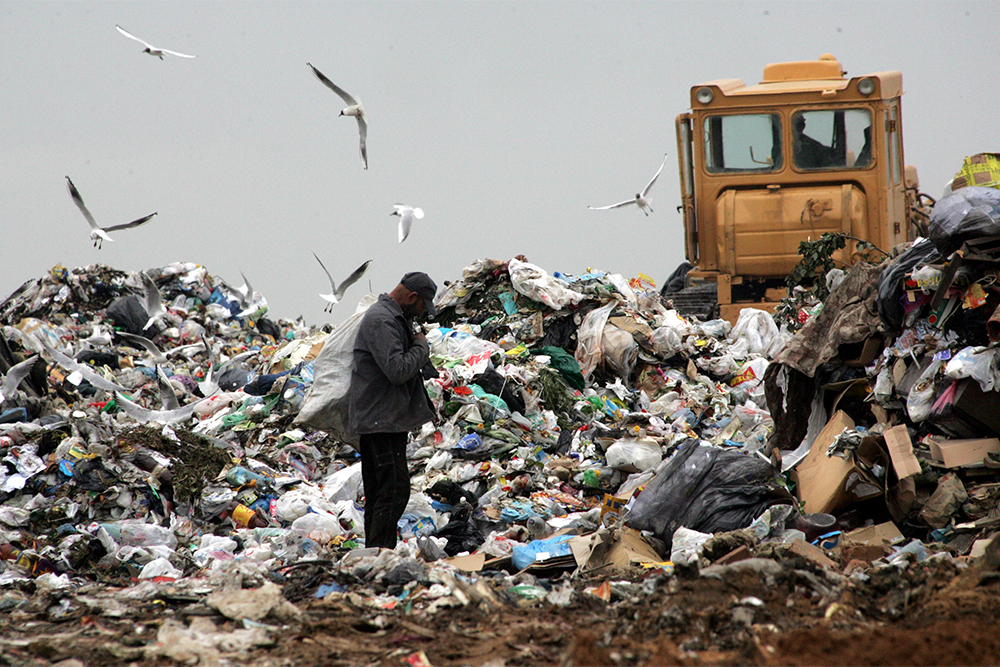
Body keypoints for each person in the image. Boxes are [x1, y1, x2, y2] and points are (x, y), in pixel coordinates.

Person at [348, 271, 438, 549]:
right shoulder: (382, 320)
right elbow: (397, 370)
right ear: (412, 297)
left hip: (384, 418)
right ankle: (380, 552)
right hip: (380, 420)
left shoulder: (394, 318)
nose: (422, 311)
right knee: (394, 490)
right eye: (422, 304)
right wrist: (421, 346)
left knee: (381, 492)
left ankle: (375, 552)